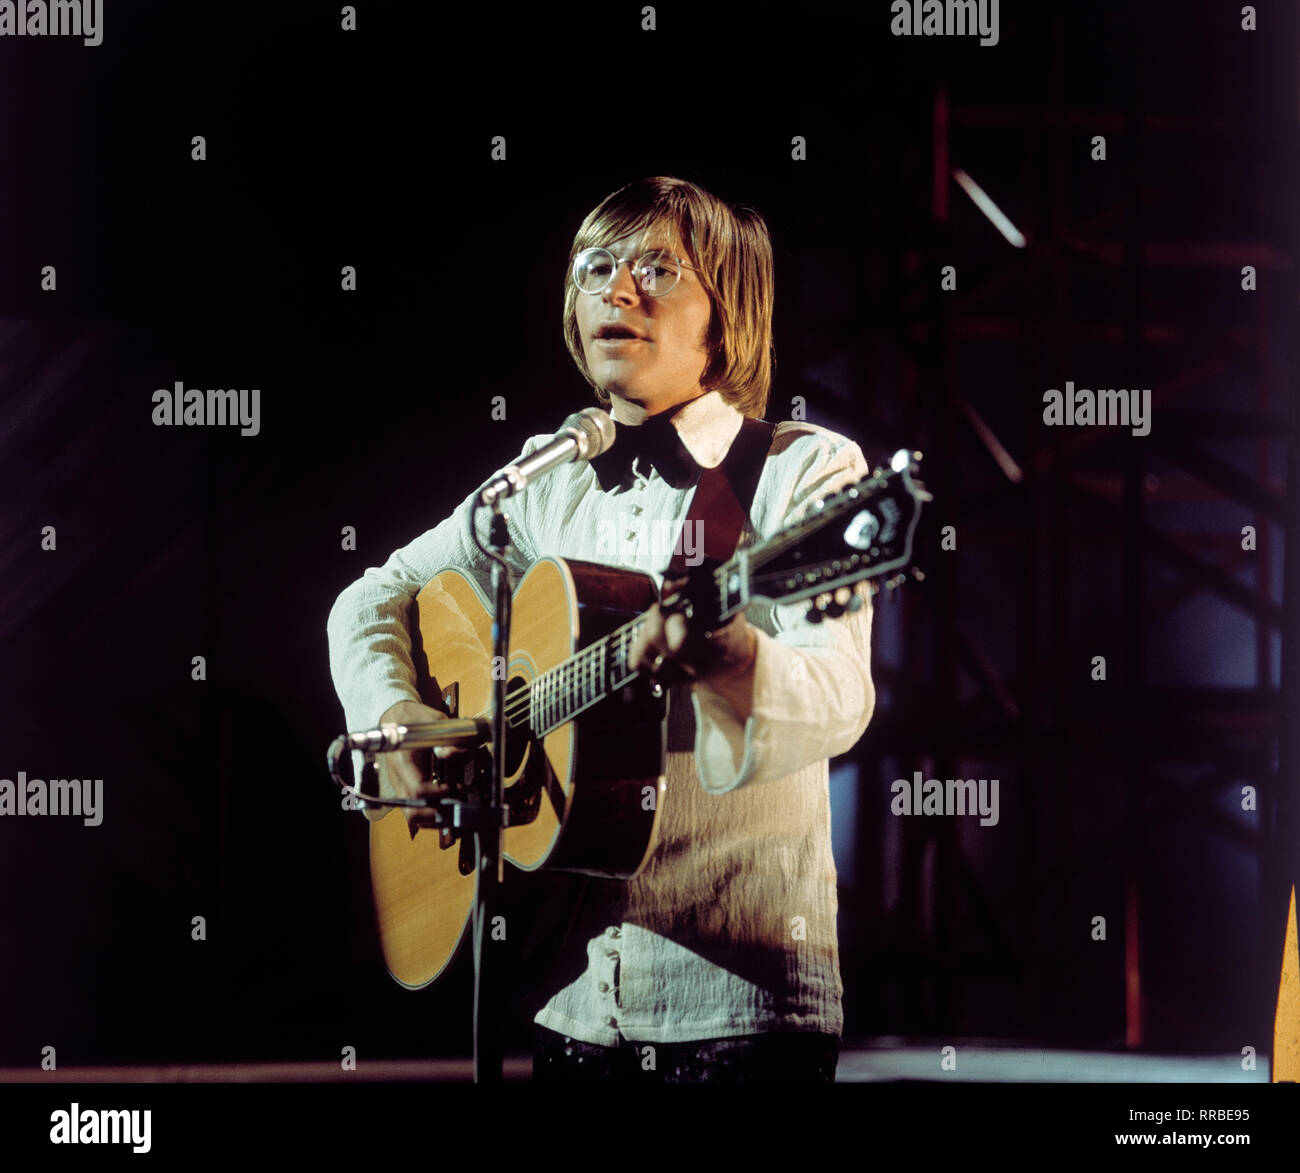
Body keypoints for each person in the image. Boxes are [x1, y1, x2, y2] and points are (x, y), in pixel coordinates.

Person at [327, 176, 876, 1083]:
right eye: (596, 266)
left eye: (659, 268)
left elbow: (842, 695)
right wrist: (396, 715)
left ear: (725, 314)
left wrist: (727, 653)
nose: (617, 289)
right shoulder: (545, 482)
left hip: (738, 1008)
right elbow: (374, 593)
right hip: (567, 1002)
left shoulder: (801, 469)